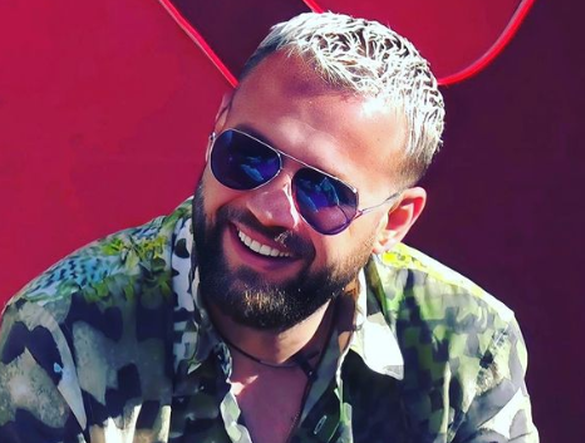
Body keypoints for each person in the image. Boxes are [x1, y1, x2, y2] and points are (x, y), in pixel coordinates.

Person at [0, 11, 538, 443]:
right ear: (218, 127)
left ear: (392, 223)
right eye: (250, 155)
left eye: (324, 191)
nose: (269, 209)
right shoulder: (61, 334)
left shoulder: (465, 345)